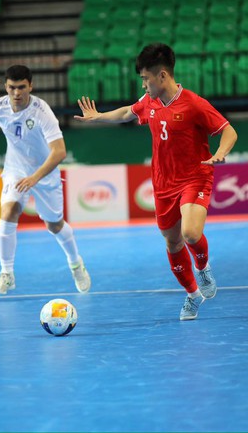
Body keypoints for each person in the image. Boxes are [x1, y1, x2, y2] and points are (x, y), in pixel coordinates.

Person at [74, 43, 237, 320]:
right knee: (172, 243)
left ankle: (203, 265)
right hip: (163, 183)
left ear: (162, 76)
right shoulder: (149, 102)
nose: (143, 84)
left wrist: (220, 153)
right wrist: (99, 117)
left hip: (195, 176)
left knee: (191, 233)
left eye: (145, 78)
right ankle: (192, 295)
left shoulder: (194, 104)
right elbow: (127, 112)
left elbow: (228, 131)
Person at [0, 65, 91, 295]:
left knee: (54, 225)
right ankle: (7, 274)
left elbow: (59, 152)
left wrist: (35, 177)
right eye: (12, 87)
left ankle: (76, 264)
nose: (16, 93)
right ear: (5, 86)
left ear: (30, 86)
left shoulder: (41, 111)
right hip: (15, 170)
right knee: (9, 211)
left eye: (21, 87)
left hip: (44, 173)